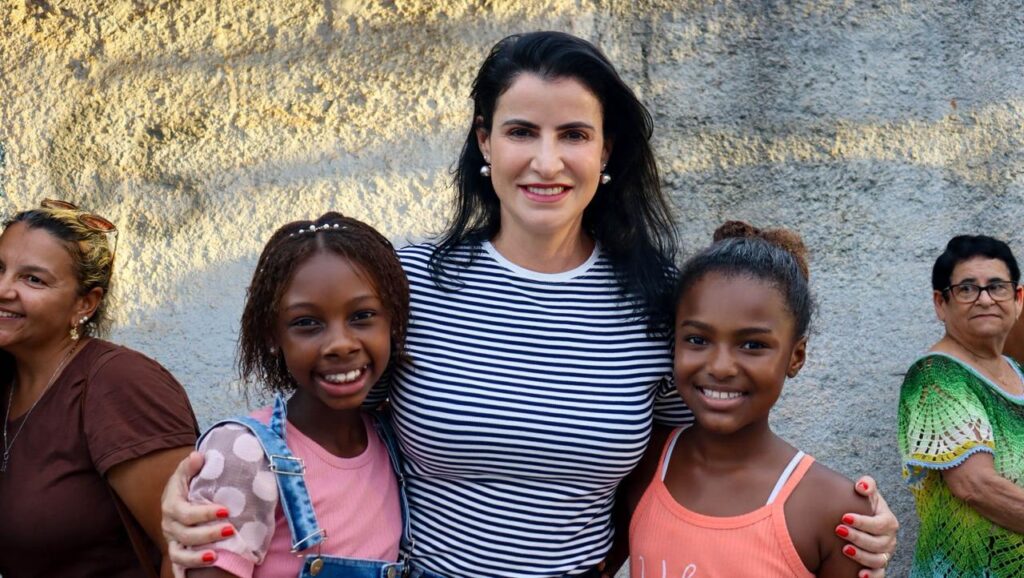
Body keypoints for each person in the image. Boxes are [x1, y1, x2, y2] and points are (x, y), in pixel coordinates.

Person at [162, 32, 898, 578]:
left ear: (607, 152)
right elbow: (320, 422)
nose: (547, 161)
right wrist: (201, 480)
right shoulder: (406, 280)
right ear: (485, 141)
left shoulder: (661, 303)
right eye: (521, 132)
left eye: (573, 134)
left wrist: (844, 513)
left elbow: (705, 453)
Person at [185, 212, 440, 578]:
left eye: (362, 316)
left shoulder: (393, 440)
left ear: (393, 323)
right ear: (273, 336)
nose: (340, 344)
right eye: (307, 323)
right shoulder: (244, 454)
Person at [628, 222, 872, 577]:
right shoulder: (642, 461)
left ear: (796, 356)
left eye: (752, 345)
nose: (720, 366)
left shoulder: (833, 507)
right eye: (697, 339)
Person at [0, 200, 199, 577]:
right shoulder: (9, 380)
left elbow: (187, 552)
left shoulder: (118, 383)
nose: (3, 288)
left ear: (85, 304)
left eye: (33, 279)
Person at [898, 234, 1024, 577]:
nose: (985, 299)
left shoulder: (1018, 372)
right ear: (941, 303)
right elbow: (976, 486)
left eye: (997, 287)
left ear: (1017, 299)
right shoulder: (936, 377)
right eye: (967, 289)